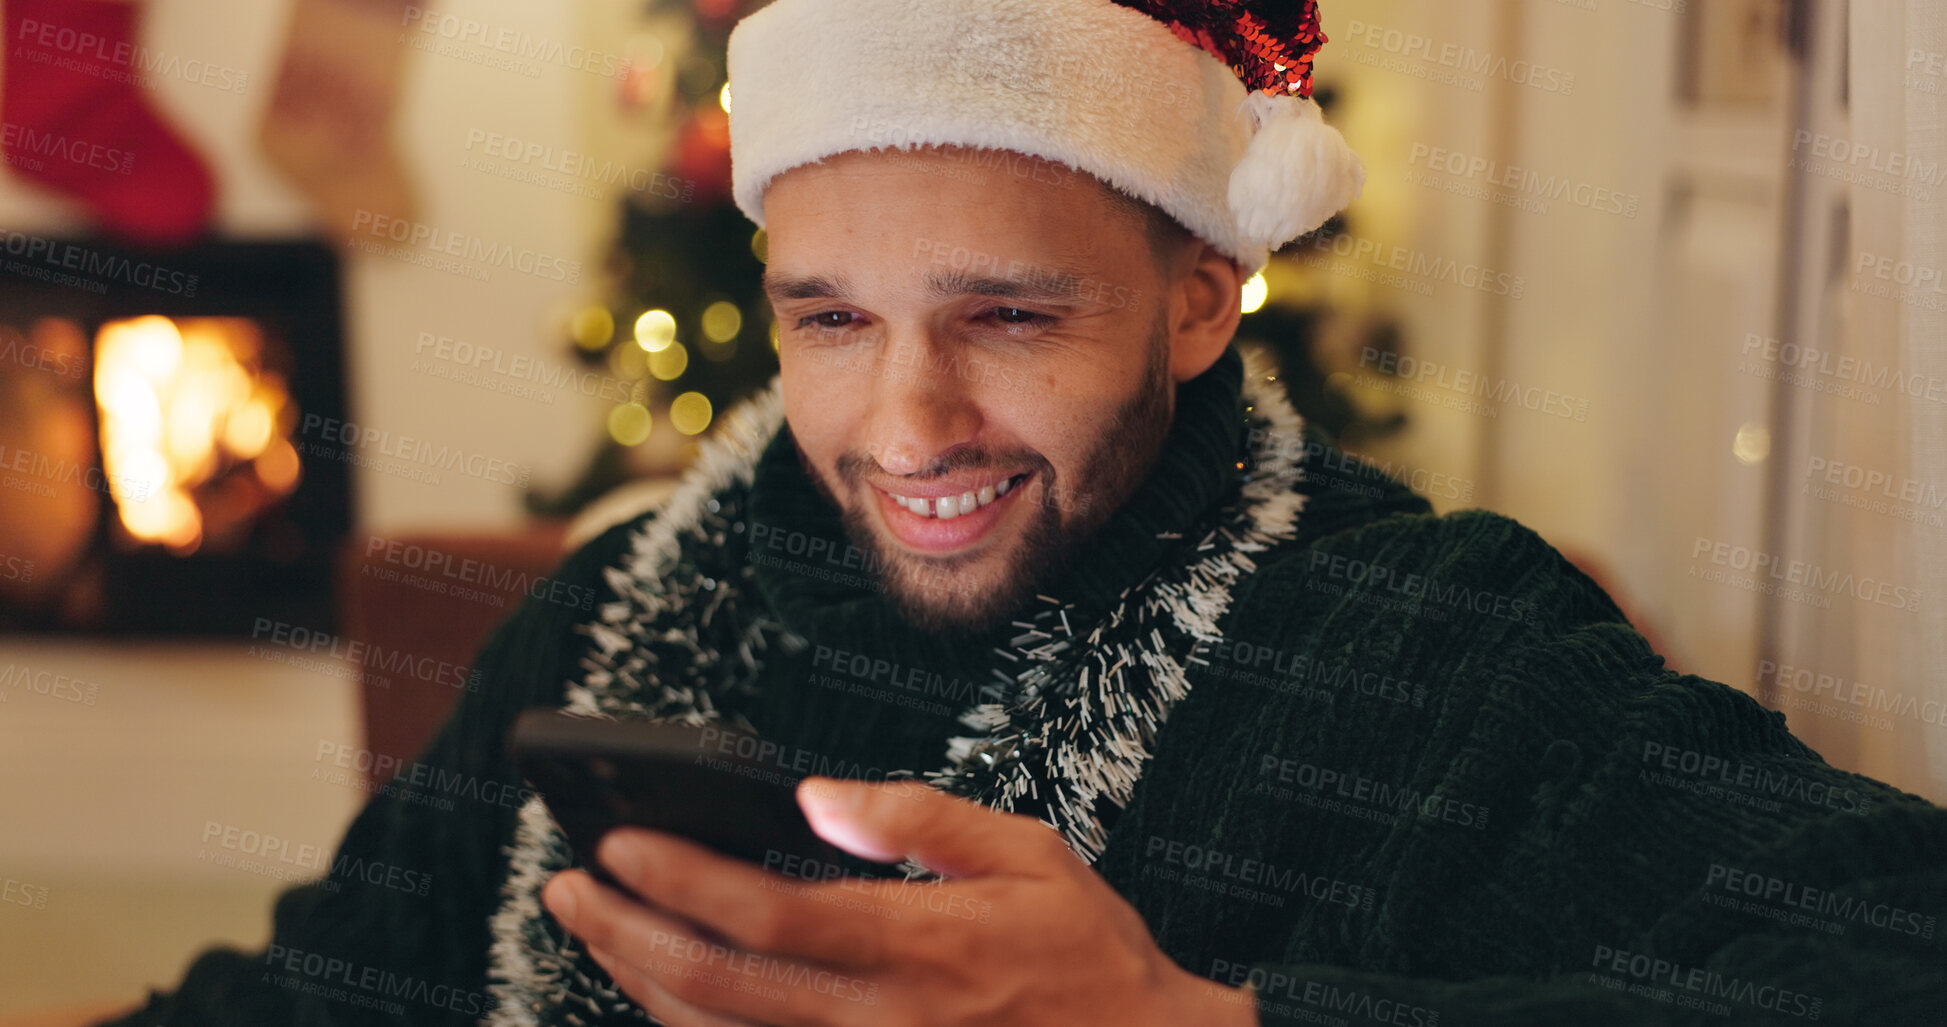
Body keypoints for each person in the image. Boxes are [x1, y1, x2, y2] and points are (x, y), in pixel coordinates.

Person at [43, 0, 1945, 1024]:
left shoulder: (1445, 654)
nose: (906, 422)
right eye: (831, 322)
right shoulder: (621, 614)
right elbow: (322, 995)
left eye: (1011, 317)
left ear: (1201, 294)